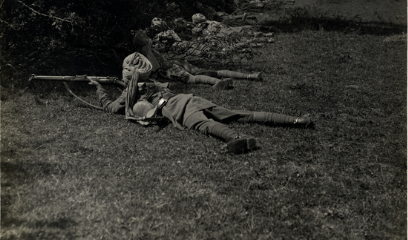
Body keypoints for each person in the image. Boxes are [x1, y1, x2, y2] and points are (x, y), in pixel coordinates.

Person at [89, 72, 313, 155]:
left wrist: (98, 87)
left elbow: (110, 108)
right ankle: (297, 120)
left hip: (179, 108)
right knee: (241, 113)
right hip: (191, 99)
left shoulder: (130, 94)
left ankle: (237, 139)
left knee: (203, 125)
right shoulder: (153, 82)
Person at [122, 30, 263, 91]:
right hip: (175, 62)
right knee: (209, 71)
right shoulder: (148, 50)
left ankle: (218, 83)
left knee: (192, 79)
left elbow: (155, 67)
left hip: (170, 68)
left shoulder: (144, 52)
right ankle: (249, 76)